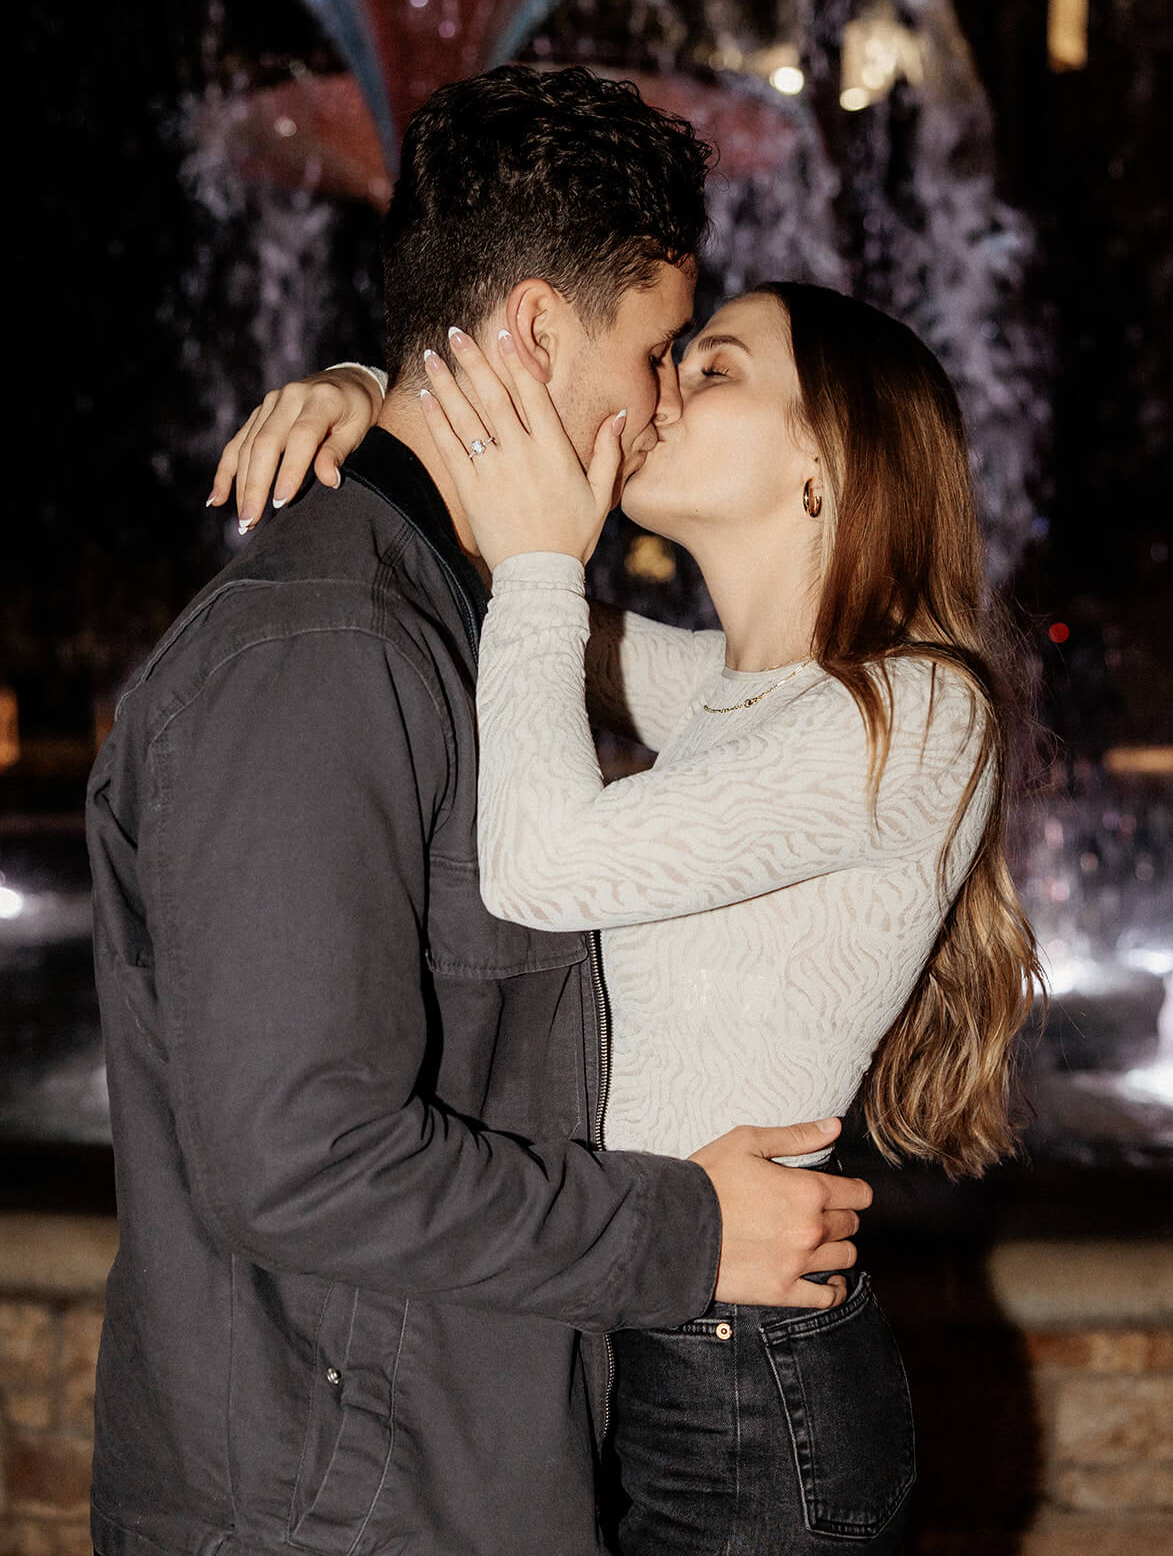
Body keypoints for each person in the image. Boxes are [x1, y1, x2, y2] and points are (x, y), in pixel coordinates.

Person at [87, 66, 874, 1556]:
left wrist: (374, 393)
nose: (655, 410)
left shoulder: (462, 624)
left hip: (436, 1485)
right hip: (338, 1517)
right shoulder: (320, 656)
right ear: (529, 331)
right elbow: (303, 1154)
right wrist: (686, 1236)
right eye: (655, 355)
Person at [222, 282, 1041, 1554]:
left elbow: (543, 864)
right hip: (673, 1320)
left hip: (750, 1390)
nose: (659, 393)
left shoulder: (919, 712)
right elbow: (513, 613)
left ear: (826, 456)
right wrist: (371, 395)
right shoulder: (748, 690)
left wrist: (549, 557)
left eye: (712, 370)